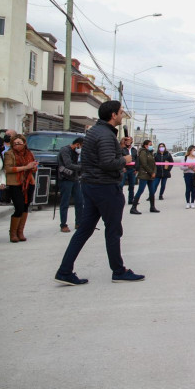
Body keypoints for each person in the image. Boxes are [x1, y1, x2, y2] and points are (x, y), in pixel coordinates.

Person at [54, 100, 145, 285]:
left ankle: (64, 270)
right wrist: (125, 158)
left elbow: (101, 158)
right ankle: (118, 271)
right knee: (113, 230)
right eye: (120, 112)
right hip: (104, 187)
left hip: (91, 185)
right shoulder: (104, 135)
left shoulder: (96, 131)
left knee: (85, 229)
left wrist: (119, 151)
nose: (121, 115)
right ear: (113, 115)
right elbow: (107, 163)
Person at [3, 134, 38, 243]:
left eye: (20, 143)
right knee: (19, 206)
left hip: (28, 182)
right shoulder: (9, 154)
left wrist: (33, 167)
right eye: (15, 143)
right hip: (15, 183)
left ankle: (20, 232)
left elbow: (33, 169)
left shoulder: (29, 153)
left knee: (26, 206)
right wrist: (25, 167)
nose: (17, 145)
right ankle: (12, 233)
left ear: (24, 143)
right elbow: (8, 169)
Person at [57, 137, 84, 233]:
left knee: (79, 201)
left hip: (75, 178)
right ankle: (63, 224)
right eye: (82, 146)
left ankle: (79, 223)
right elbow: (68, 164)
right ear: (77, 144)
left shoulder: (76, 152)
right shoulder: (65, 150)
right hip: (65, 179)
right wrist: (82, 167)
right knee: (65, 202)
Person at [130, 140, 159, 215]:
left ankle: (152, 207)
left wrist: (154, 172)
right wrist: (151, 172)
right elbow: (144, 164)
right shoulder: (143, 152)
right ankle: (133, 207)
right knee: (140, 190)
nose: (151, 146)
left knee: (152, 191)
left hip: (151, 175)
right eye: (150, 144)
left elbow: (154, 164)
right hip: (144, 174)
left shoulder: (151, 153)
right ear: (145, 145)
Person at [119, 137, 138, 205]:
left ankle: (131, 200)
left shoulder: (134, 150)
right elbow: (120, 158)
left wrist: (136, 169)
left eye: (129, 140)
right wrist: (122, 167)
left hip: (132, 169)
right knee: (121, 185)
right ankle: (120, 199)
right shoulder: (122, 149)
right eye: (126, 141)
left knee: (132, 185)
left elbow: (136, 159)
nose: (128, 142)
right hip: (124, 169)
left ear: (132, 141)